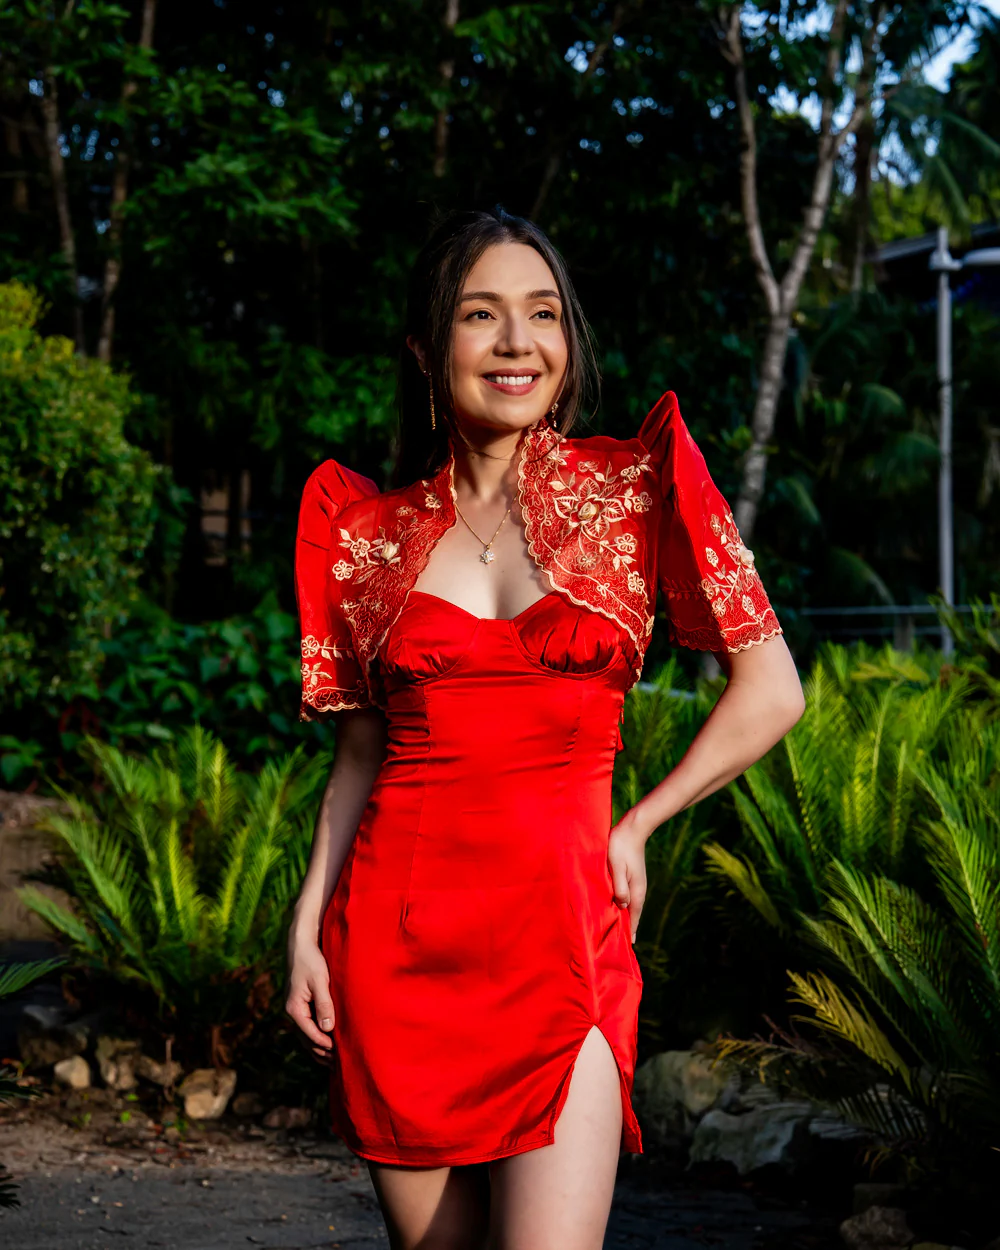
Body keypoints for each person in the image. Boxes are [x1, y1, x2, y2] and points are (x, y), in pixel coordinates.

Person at [285, 207, 804, 1250]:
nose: (519, 341)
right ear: (429, 352)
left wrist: (638, 824)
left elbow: (770, 689)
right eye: (483, 315)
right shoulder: (362, 534)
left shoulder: (633, 490)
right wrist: (305, 923)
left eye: (543, 314)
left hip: (565, 948)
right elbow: (358, 756)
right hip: (398, 957)